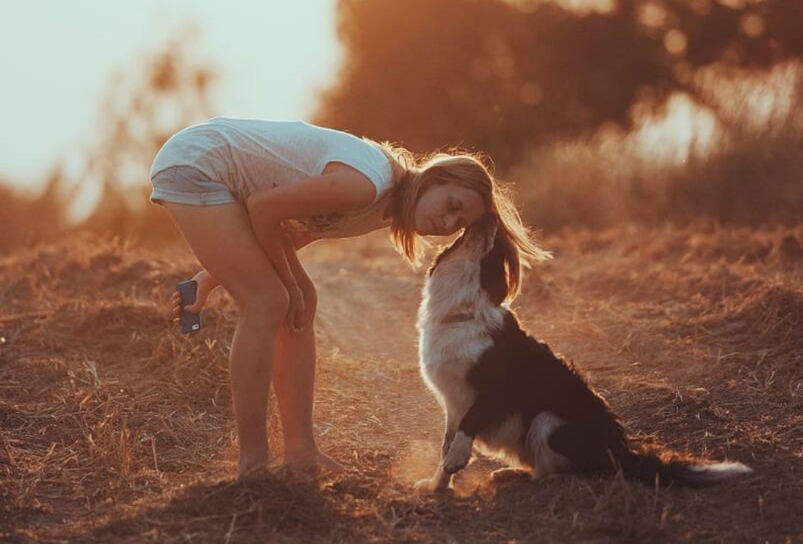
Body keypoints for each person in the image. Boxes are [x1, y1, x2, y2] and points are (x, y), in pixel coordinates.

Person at [151, 117, 549, 478]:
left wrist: (211, 277)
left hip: (216, 172)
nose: (446, 223)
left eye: (458, 224)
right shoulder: (368, 185)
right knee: (270, 301)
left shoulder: (380, 206)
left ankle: (300, 453)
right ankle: (253, 465)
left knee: (298, 308)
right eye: (452, 205)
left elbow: (290, 233)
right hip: (197, 164)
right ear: (434, 177)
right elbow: (263, 207)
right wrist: (290, 285)